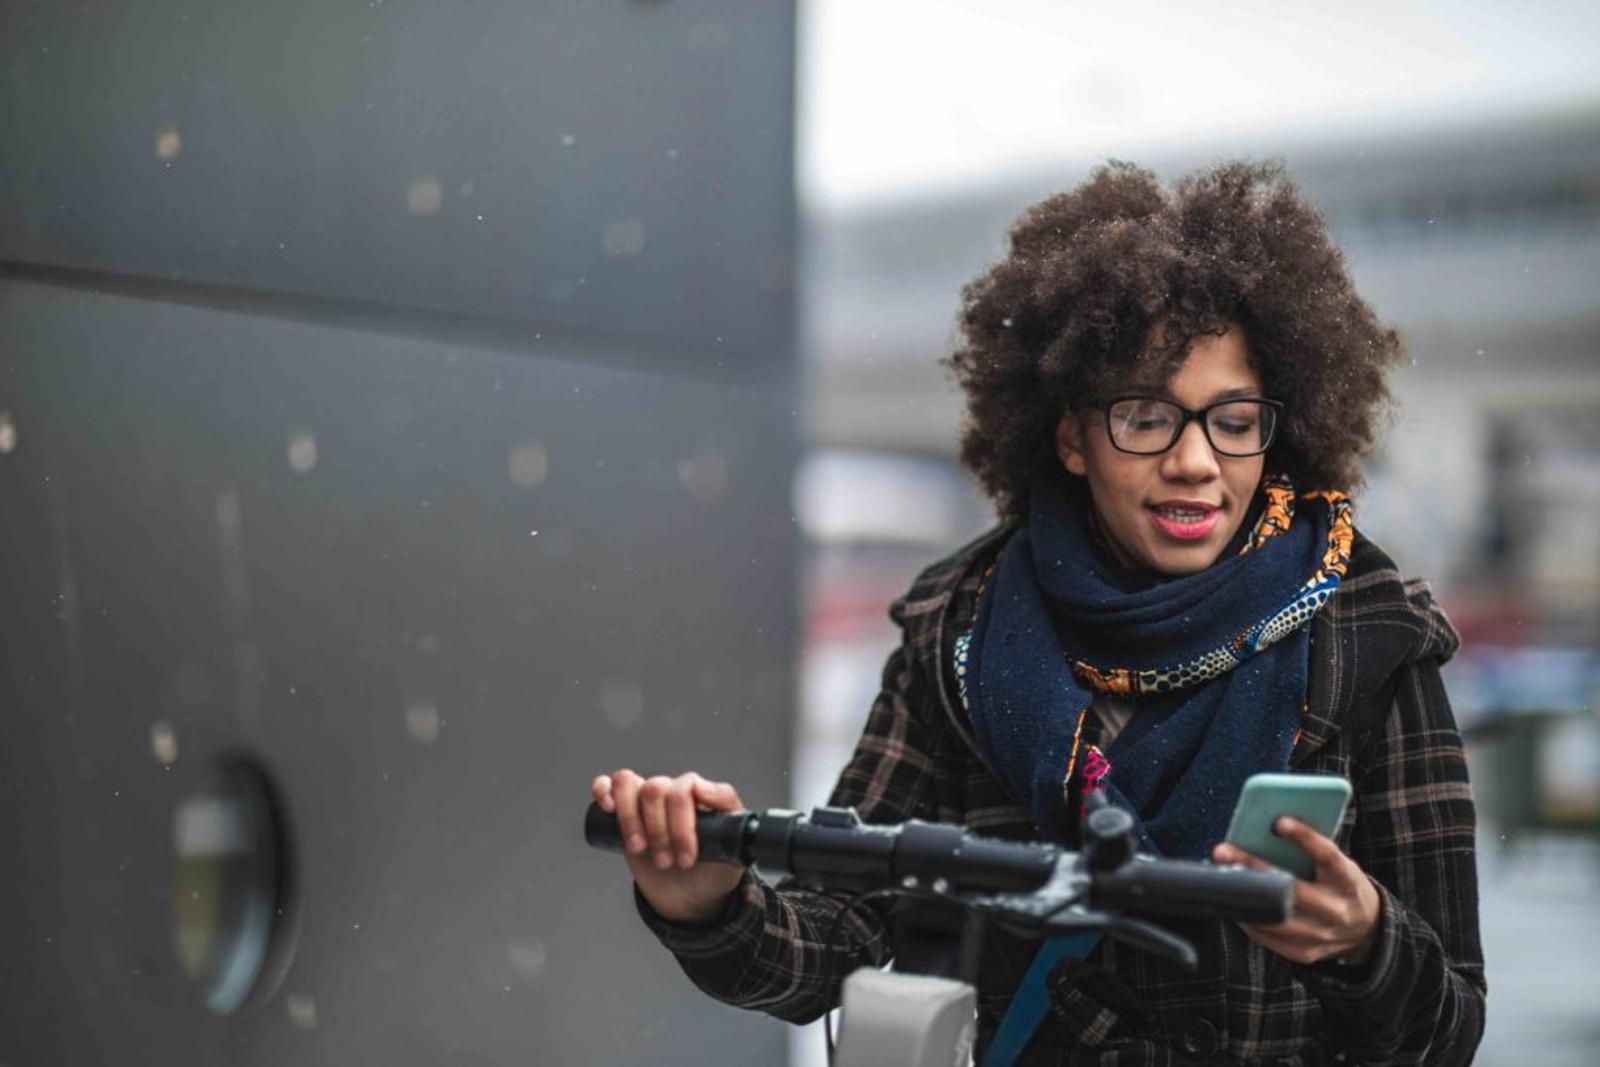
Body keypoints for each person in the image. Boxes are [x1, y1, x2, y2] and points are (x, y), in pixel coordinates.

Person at [591, 160, 1485, 1065]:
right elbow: (835, 944)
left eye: (1232, 418)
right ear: (1069, 435)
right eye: (1145, 417)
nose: (1195, 461)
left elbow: (1450, 1026)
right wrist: (708, 900)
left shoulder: (1370, 633)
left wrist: (1366, 940)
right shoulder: (959, 632)